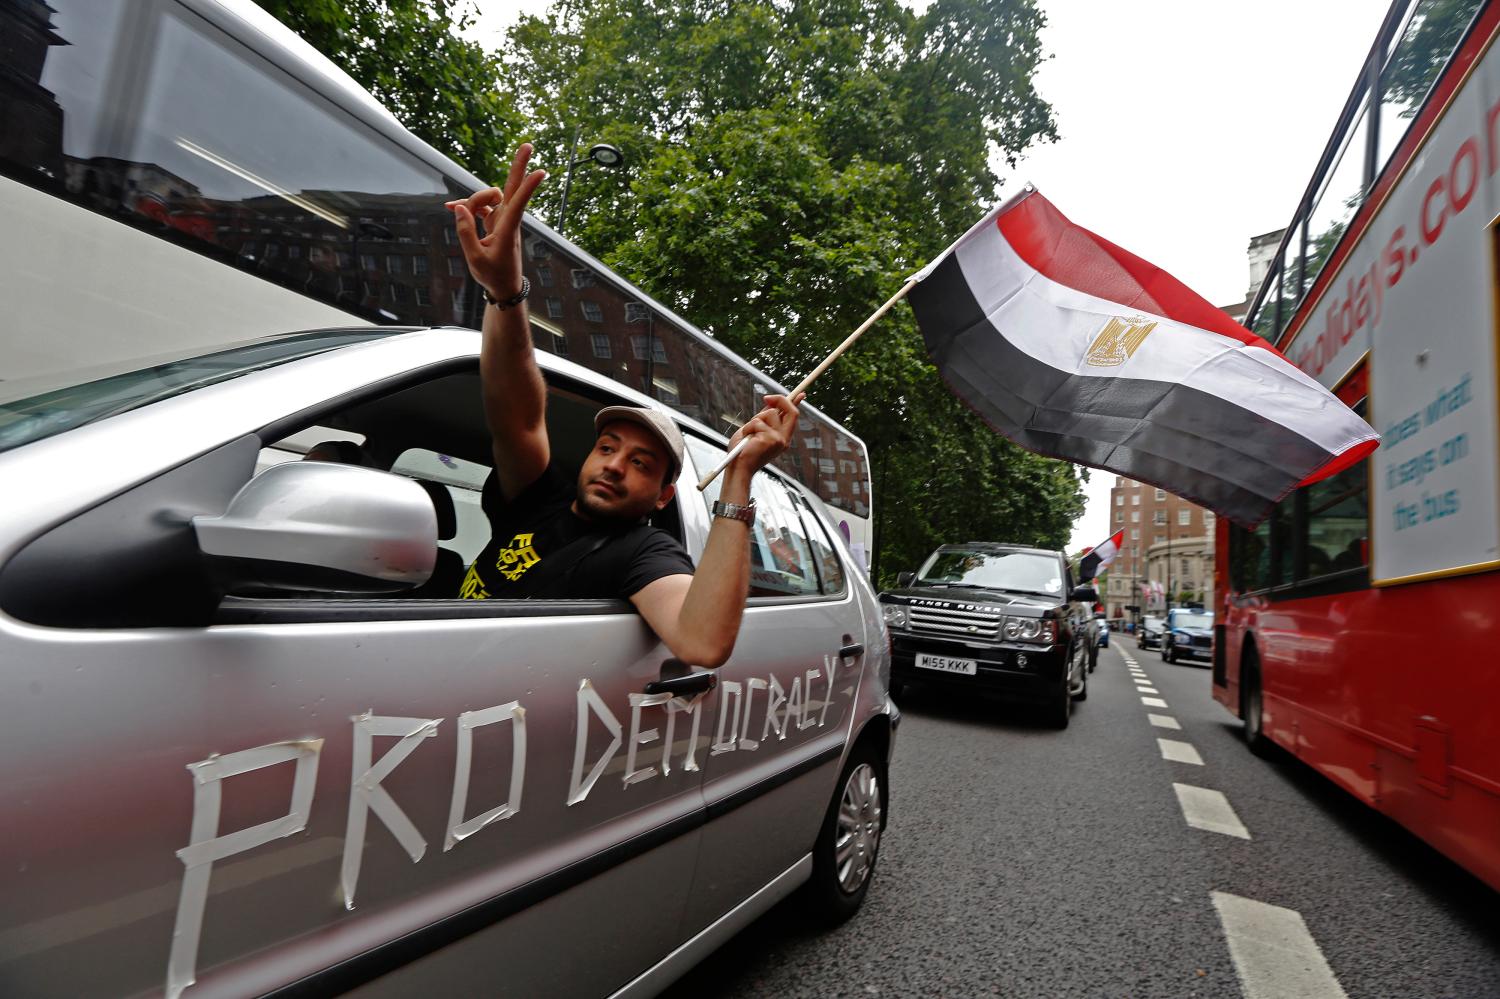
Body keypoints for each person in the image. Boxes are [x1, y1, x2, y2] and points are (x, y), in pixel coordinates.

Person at [444, 143, 803, 668]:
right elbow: (517, 411)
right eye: (608, 447)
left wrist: (739, 474)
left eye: (640, 463)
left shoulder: (644, 554)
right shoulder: (537, 499)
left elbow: (702, 643)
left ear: (662, 497)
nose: (614, 464)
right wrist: (505, 295)